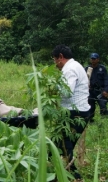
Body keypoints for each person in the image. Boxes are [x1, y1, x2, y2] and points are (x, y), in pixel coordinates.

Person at [52, 45, 90, 181]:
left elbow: (67, 92)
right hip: (79, 112)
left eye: (54, 59)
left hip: (75, 113)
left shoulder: (70, 69)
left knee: (63, 146)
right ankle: (68, 175)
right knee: (64, 145)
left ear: (60, 57)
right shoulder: (76, 65)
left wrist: (53, 88)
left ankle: (70, 176)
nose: (55, 63)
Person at [85, 53, 108, 119]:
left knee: (103, 105)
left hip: (100, 91)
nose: (93, 60)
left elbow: (106, 80)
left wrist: (106, 90)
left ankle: (103, 120)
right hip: (90, 91)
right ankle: (90, 120)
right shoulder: (87, 69)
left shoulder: (102, 68)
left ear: (98, 60)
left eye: (94, 59)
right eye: (92, 59)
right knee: (90, 107)